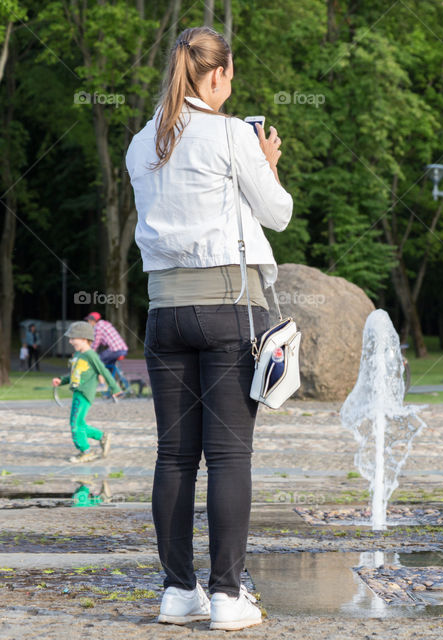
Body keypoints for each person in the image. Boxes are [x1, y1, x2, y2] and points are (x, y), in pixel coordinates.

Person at [126, 26, 292, 631]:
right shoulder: (229, 134)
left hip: (165, 313)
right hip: (228, 309)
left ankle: (177, 591)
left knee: (174, 457)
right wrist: (267, 166)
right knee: (228, 458)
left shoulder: (142, 141)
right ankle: (226, 596)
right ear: (217, 76)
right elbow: (277, 212)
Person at [51, 322, 121, 463]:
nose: (70, 341)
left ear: (83, 338)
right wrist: (61, 380)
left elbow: (103, 371)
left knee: (75, 423)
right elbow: (74, 375)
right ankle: (102, 436)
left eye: (73, 338)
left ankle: (86, 452)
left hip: (84, 394)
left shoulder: (91, 355)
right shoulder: (78, 355)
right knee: (79, 423)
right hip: (77, 392)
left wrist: (115, 388)